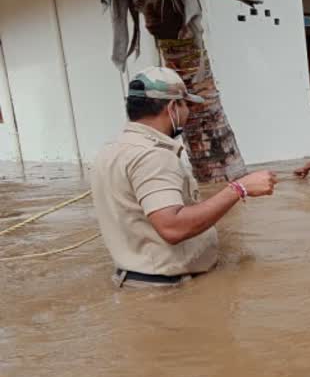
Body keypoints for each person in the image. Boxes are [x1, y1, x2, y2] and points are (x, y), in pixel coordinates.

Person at [91, 66, 277, 288]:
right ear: (172, 107)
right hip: (168, 288)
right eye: (186, 104)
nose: (188, 112)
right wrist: (239, 189)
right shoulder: (154, 156)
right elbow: (172, 227)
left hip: (135, 281)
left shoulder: (111, 149)